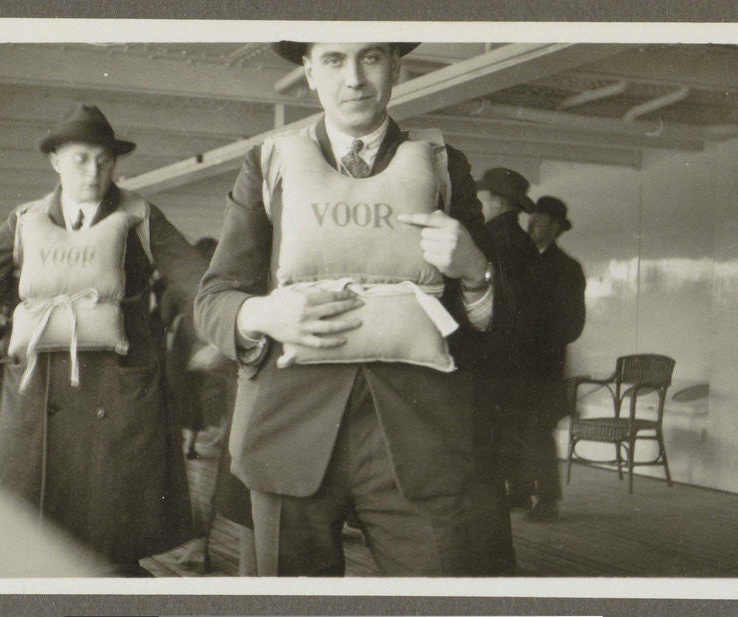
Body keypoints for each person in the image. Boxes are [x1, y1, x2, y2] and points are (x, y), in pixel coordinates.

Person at [195, 41, 516, 576]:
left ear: (395, 66)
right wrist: (264, 315)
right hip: (289, 432)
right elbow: (214, 299)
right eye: (333, 60)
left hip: (419, 440)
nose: (354, 79)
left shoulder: (442, 164)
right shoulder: (269, 162)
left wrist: (475, 270)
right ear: (308, 71)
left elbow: (489, 321)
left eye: (370, 58)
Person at [0, 103, 207, 575]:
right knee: (32, 538)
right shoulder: (25, 220)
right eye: (81, 159)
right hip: (37, 391)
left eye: (104, 160)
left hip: (118, 393)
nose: (94, 172)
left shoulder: (141, 217)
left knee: (112, 546)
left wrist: (233, 327)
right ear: (55, 161)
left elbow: (198, 282)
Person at [473, 168, 541, 512]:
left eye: (483, 199)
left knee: (488, 433)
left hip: (494, 354)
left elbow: (497, 304)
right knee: (512, 428)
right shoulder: (524, 243)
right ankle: (515, 491)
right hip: (519, 355)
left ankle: (492, 503)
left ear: (499, 203)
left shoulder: (491, 240)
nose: (478, 205)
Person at [516, 196, 587, 521]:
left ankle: (548, 499)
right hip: (516, 365)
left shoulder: (567, 269)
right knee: (515, 428)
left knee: (539, 432)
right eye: (530, 217)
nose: (531, 223)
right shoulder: (521, 260)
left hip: (543, 366)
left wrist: (536, 337)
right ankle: (518, 492)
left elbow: (573, 325)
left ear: (555, 226)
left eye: (539, 218)